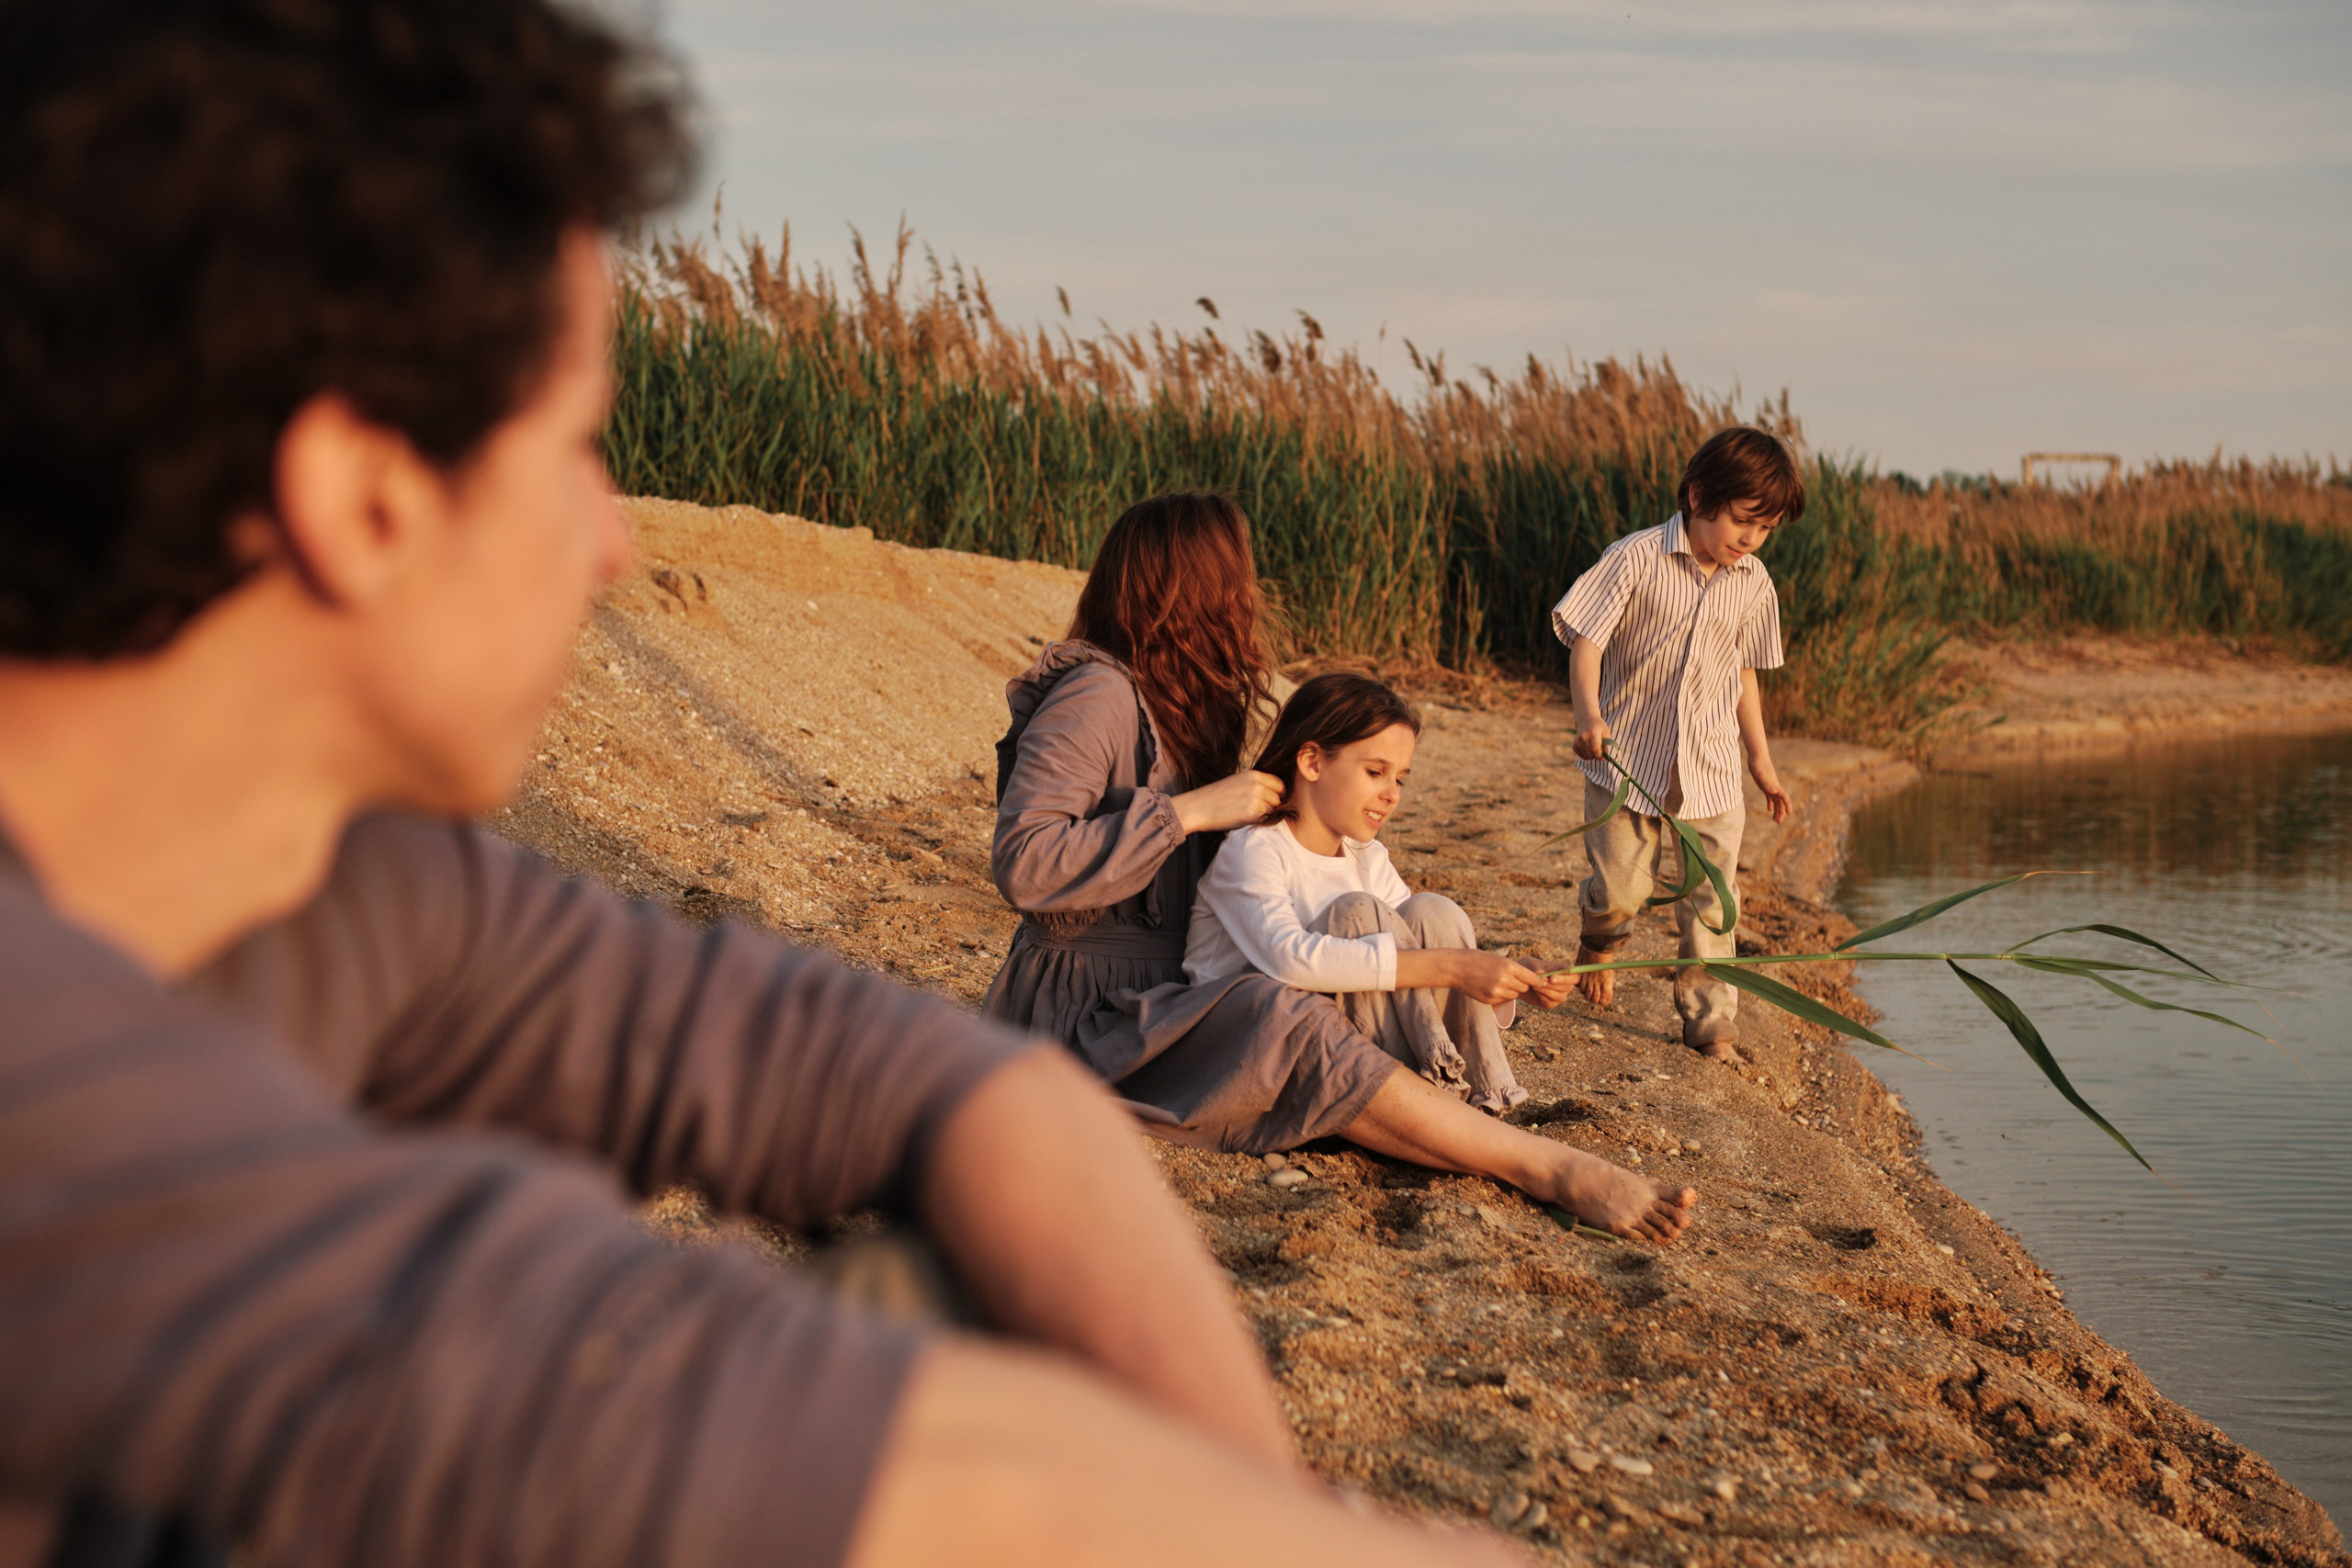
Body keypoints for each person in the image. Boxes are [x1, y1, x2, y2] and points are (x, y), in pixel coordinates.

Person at [0, 6, 1528, 1568]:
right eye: (576, 447)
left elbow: (933, 1087)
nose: (613, 542)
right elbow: (659, 1401)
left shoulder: (344, 880)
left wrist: (1254, 1501)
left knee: (933, 1279)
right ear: (362, 496)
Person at [987, 495, 1695, 1244]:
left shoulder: (1181, 705)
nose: (1249, 602)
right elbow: (1023, 863)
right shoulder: (1096, 694)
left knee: (1327, 983)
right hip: (1085, 1019)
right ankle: (1547, 1166)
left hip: (1164, 998)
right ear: (1186, 588)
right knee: (1288, 1014)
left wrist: (1495, 969)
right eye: (1236, 580)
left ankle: (1456, 1115)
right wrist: (1191, 812)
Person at [1185, 671, 1556, 1114]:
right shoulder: (1252, 849)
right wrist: (1458, 967)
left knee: (1433, 912)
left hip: (1343, 1047)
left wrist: (1509, 978)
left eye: (1400, 779)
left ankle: (1482, 1094)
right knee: (1358, 913)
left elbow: (1419, 948)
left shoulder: (1366, 856)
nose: (1391, 795)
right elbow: (1289, 957)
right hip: (1255, 1055)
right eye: (1375, 772)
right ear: (1312, 763)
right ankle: (1431, 1095)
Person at [1551, 426, 1804, 1063]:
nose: (1751, 539)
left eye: (1766, 529)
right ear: (1697, 495)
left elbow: (1743, 672)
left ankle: (1710, 1020)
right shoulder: (1636, 557)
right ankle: (1601, 938)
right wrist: (1589, 715)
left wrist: (1762, 763)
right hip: (1629, 761)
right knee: (1620, 890)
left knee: (1714, 901)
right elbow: (1588, 639)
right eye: (1744, 521)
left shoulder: (1753, 582)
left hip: (1713, 771)